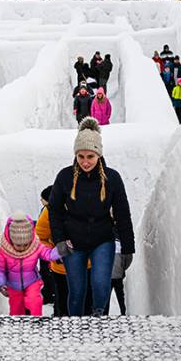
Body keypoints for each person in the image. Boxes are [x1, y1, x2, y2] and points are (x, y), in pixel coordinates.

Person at [47, 117, 135, 317]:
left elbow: (122, 213)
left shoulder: (112, 178)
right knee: (77, 292)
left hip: (102, 240)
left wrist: (128, 247)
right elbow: (54, 210)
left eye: (90, 156)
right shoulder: (65, 177)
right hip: (73, 242)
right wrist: (60, 240)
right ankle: (76, 324)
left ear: (99, 155)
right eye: (81, 156)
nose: (85, 162)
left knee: (100, 284)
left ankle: (98, 319)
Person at [0, 212, 68, 316]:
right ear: (11, 240)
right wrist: (1, 284)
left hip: (32, 282)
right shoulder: (5, 252)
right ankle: (18, 326)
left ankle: (35, 322)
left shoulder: (35, 246)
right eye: (18, 245)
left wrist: (60, 250)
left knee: (34, 302)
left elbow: (48, 254)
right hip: (13, 286)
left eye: (25, 244)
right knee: (16, 310)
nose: (22, 248)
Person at [36, 186, 68, 316]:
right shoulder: (48, 212)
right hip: (59, 264)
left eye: (42, 199)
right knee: (61, 292)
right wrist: (51, 253)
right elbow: (41, 235)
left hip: (79, 265)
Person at [109, 234, 128, 316]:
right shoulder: (121, 246)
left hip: (108, 276)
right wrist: (122, 269)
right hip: (118, 275)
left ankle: (104, 315)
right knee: (120, 296)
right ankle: (123, 312)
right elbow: (128, 260)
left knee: (106, 297)